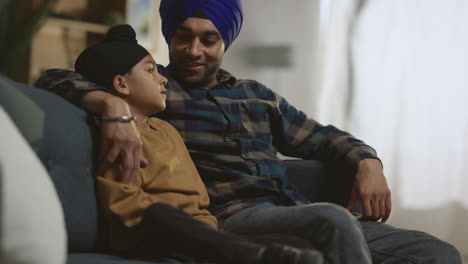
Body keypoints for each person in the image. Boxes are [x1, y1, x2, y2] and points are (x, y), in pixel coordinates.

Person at [35, 0, 462, 263]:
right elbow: (54, 78)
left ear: (225, 42)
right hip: (231, 219)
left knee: (438, 253)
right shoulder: (157, 94)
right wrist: (110, 105)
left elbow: (323, 137)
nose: (194, 51)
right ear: (169, 36)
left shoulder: (257, 96)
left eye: (209, 39)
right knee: (330, 218)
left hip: (294, 211)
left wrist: (368, 159)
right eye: (183, 38)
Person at [72, 24, 324, 264]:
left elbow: (197, 197)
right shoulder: (118, 135)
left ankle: (232, 250)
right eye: (151, 71)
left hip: (202, 230)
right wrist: (111, 106)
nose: (162, 80)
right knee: (163, 214)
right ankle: (241, 254)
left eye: (209, 40)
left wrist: (206, 228)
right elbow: (122, 203)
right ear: (120, 84)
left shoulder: (166, 129)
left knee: (300, 246)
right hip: (151, 230)